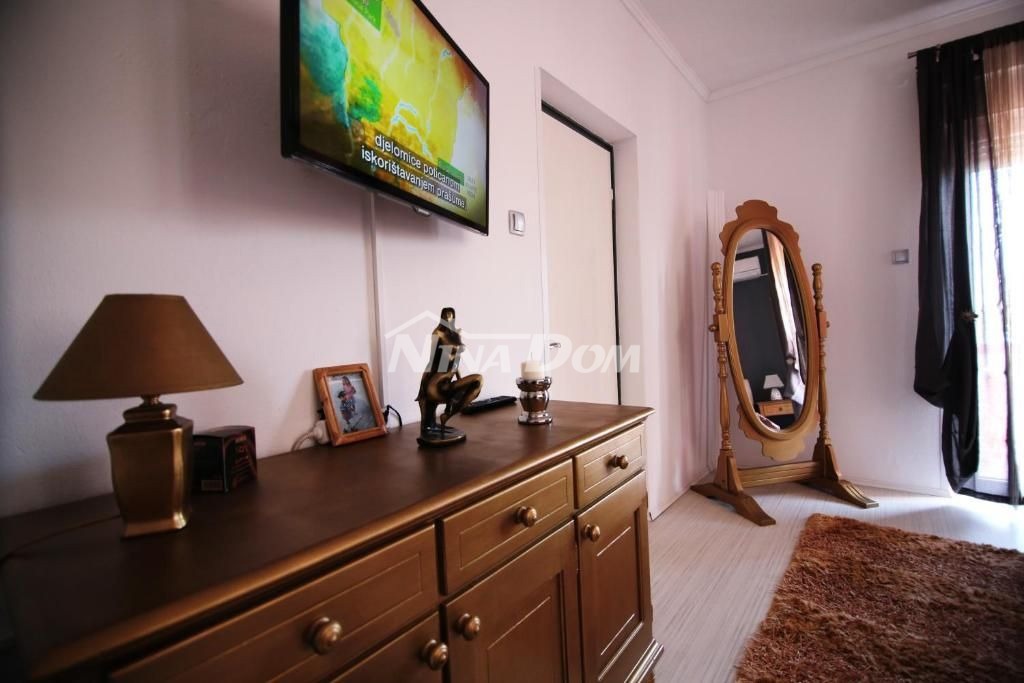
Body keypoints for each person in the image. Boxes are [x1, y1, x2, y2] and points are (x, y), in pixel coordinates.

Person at [416, 308, 483, 444]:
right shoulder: (438, 333)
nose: (448, 319)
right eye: (446, 317)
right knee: (478, 379)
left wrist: (460, 381)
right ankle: (437, 421)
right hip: (437, 383)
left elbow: (455, 363)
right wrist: (423, 385)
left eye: (450, 317)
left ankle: (447, 415)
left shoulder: (455, 334)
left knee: (478, 382)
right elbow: (432, 359)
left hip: (447, 380)